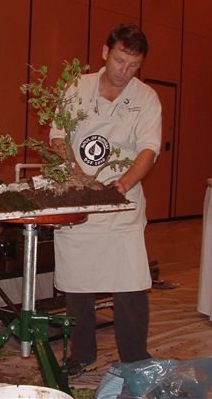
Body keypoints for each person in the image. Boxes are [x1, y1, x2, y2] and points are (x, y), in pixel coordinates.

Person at [49, 24, 162, 377]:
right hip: (79, 198)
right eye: (119, 60)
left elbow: (148, 149)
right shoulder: (77, 87)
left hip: (120, 201)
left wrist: (124, 183)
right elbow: (57, 136)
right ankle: (82, 354)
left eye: (133, 65)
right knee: (77, 282)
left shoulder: (146, 98)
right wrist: (74, 174)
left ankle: (135, 360)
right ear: (104, 52)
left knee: (130, 282)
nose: (124, 71)